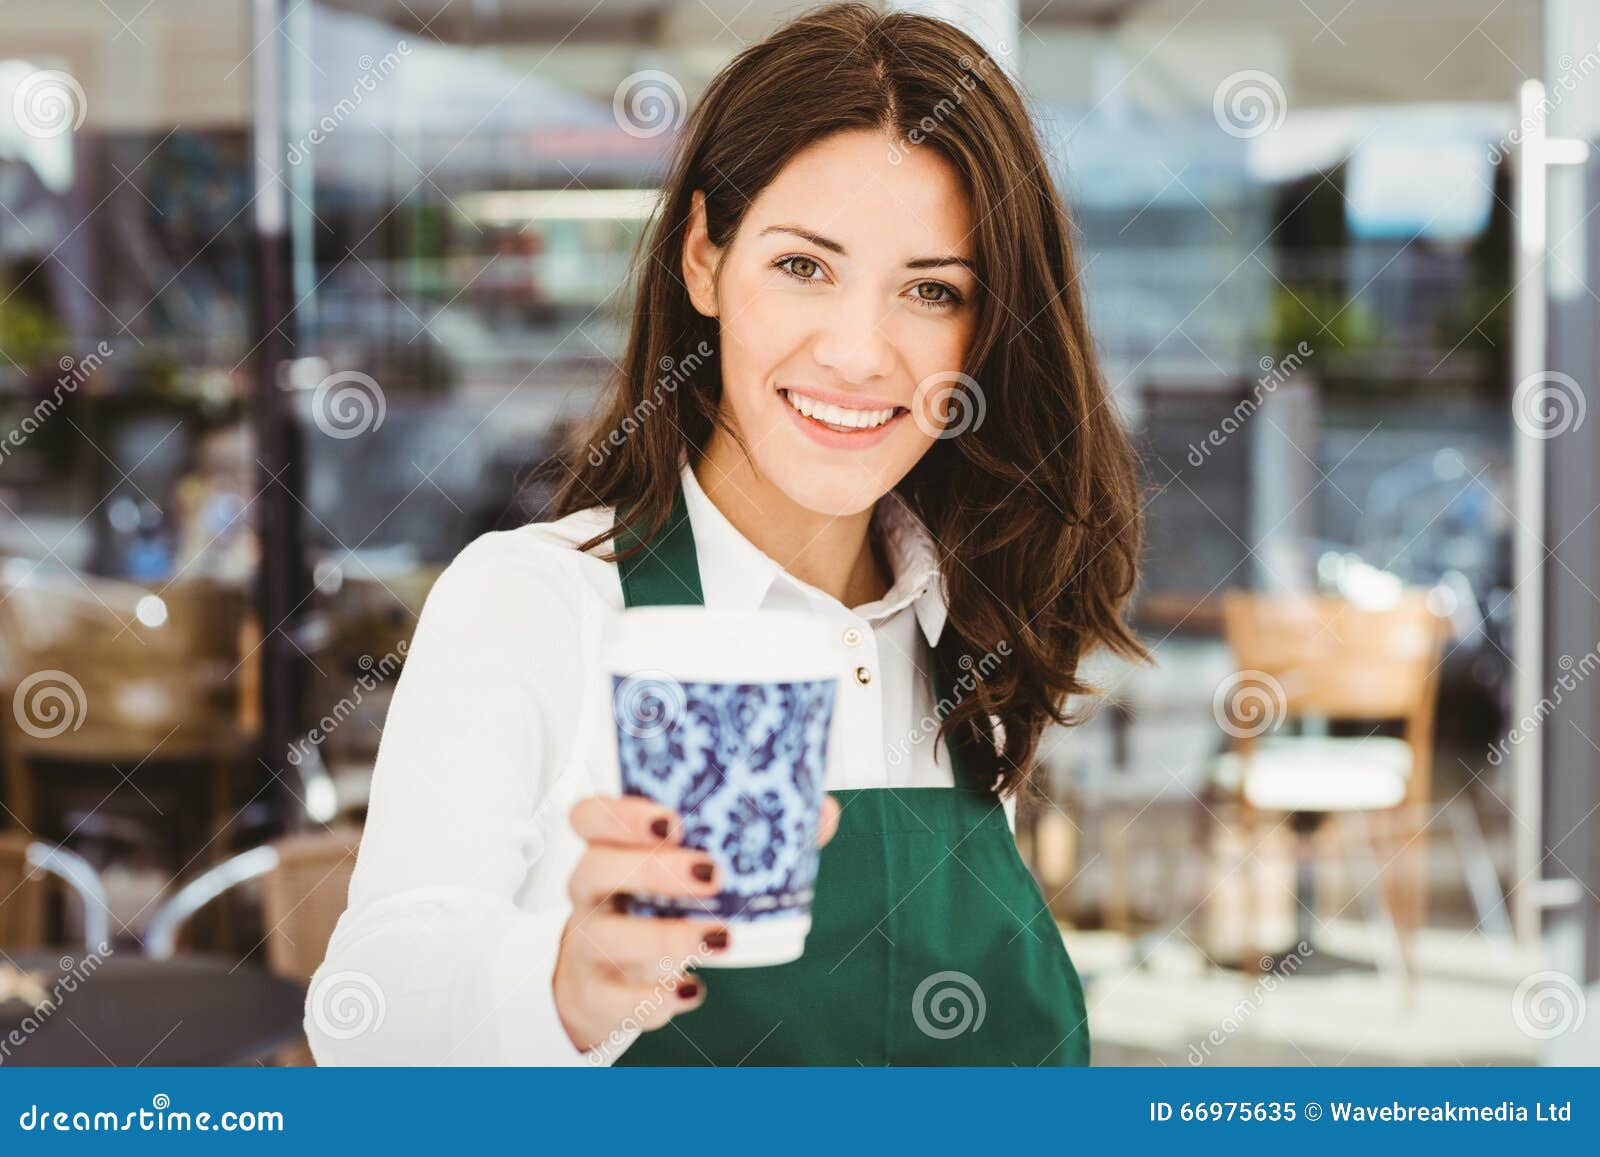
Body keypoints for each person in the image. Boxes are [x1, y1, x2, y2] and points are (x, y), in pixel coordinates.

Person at [306, 1, 1146, 1067]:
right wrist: (565, 983)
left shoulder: (962, 628)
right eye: (803, 265)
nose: (857, 351)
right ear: (704, 256)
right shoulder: (539, 602)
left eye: (930, 290)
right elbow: (364, 1017)